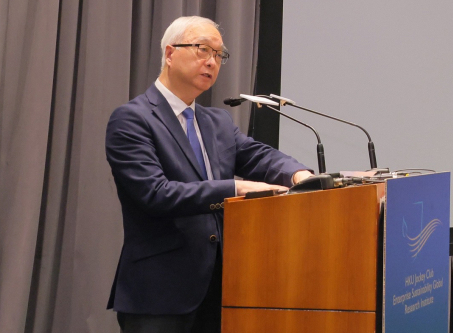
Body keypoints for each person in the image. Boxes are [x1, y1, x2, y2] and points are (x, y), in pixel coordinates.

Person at [105, 16, 313, 333]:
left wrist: (299, 175)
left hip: (220, 287)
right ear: (171, 54)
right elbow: (155, 194)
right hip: (159, 293)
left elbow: (258, 156)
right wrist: (236, 189)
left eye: (219, 55)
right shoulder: (132, 119)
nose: (212, 62)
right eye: (203, 50)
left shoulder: (216, 121)